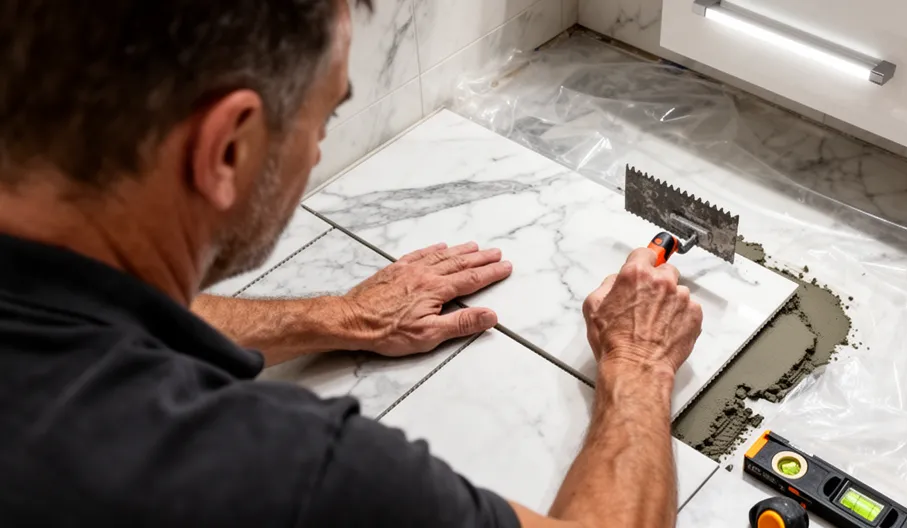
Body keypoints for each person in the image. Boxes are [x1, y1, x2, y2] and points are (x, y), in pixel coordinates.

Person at [0, 0, 703, 526]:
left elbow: (88, 312)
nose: (313, 153)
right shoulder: (275, 472)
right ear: (226, 149)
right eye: (323, 120)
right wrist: (640, 363)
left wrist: (332, 315)